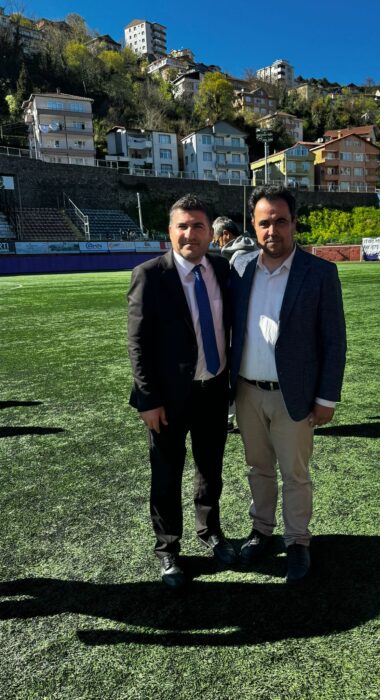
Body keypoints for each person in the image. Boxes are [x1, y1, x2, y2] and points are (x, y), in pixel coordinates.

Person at [230, 185, 347, 583]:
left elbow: (334, 340)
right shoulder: (240, 269)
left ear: (294, 223)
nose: (272, 230)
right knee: (257, 468)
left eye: (281, 221)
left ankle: (297, 540)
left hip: (293, 394)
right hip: (246, 392)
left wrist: (326, 397)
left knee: (295, 474)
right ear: (253, 225)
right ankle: (261, 531)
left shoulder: (320, 273)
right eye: (264, 222)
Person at [127, 194, 236, 589]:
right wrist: (148, 400)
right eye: (183, 226)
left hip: (213, 391)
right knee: (166, 475)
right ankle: (168, 548)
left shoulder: (222, 269)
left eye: (198, 226)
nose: (191, 233)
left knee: (210, 469)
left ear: (210, 232)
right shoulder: (149, 274)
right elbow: (137, 343)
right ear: (170, 232)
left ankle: (211, 532)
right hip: (167, 400)